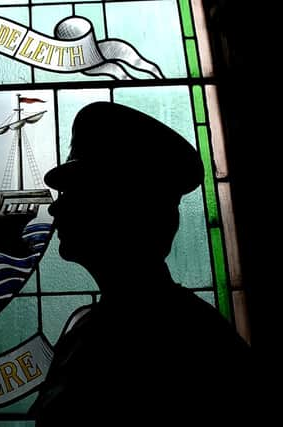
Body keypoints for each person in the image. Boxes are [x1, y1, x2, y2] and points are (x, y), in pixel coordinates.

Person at [29, 102, 255, 423]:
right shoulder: (165, 328)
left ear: (119, 209)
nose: (55, 209)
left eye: (75, 192)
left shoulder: (186, 345)